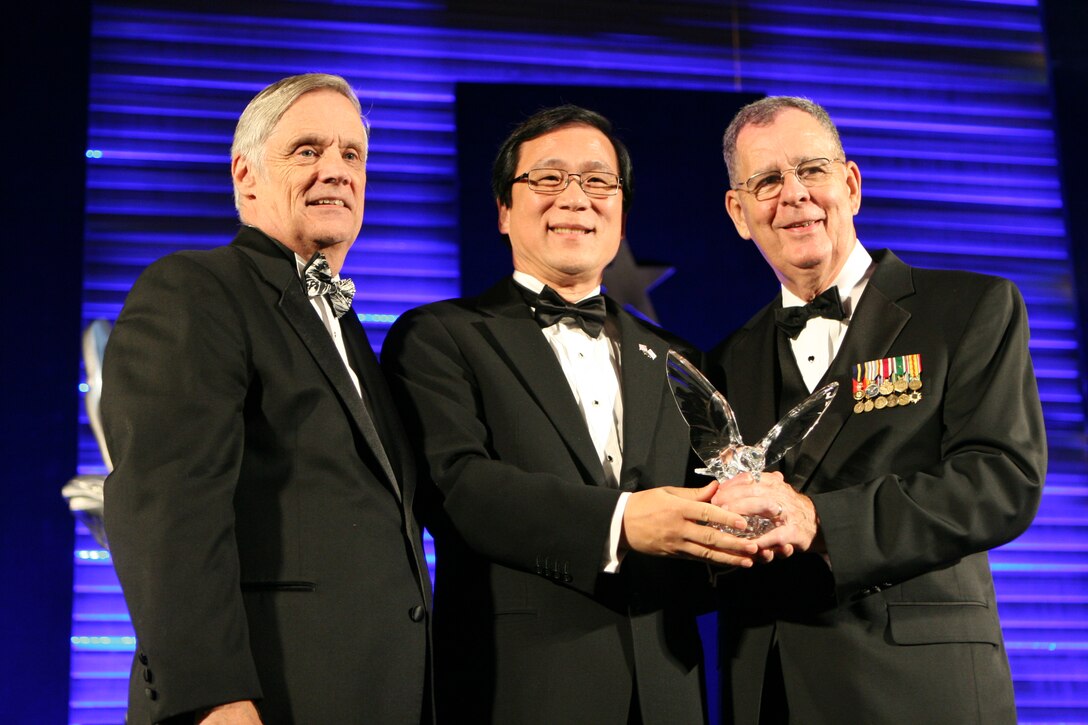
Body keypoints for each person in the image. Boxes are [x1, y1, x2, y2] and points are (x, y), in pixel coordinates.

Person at [381, 104, 769, 724]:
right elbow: (456, 487)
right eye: (548, 179)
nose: (576, 198)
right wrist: (619, 523)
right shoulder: (439, 337)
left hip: (669, 691)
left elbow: (701, 525)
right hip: (520, 689)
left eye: (597, 181)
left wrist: (741, 526)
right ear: (504, 210)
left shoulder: (679, 359)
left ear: (620, 212)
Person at [101, 74, 431, 724]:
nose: (335, 170)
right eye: (307, 151)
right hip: (261, 701)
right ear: (246, 176)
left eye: (352, 154)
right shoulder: (198, 290)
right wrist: (211, 697)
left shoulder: (347, 329)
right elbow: (168, 502)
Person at [707, 95, 1047, 724]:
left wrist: (821, 520)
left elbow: (1001, 481)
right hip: (772, 690)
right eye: (767, 181)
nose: (794, 195)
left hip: (923, 687)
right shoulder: (721, 364)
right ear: (739, 212)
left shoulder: (969, 309)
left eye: (812, 170)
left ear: (852, 184)